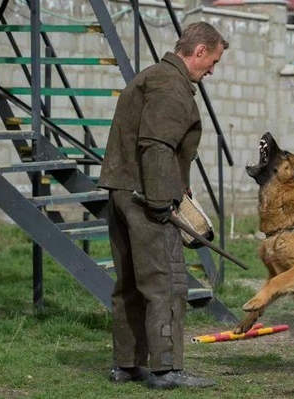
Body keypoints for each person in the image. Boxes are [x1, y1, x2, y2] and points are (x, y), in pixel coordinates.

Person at [97, 21, 228, 390]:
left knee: (129, 284)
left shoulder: (150, 76)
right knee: (166, 282)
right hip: (146, 197)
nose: (212, 70)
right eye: (212, 61)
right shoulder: (172, 85)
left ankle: (126, 364)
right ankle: (166, 369)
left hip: (121, 190)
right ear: (199, 51)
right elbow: (156, 145)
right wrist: (159, 202)